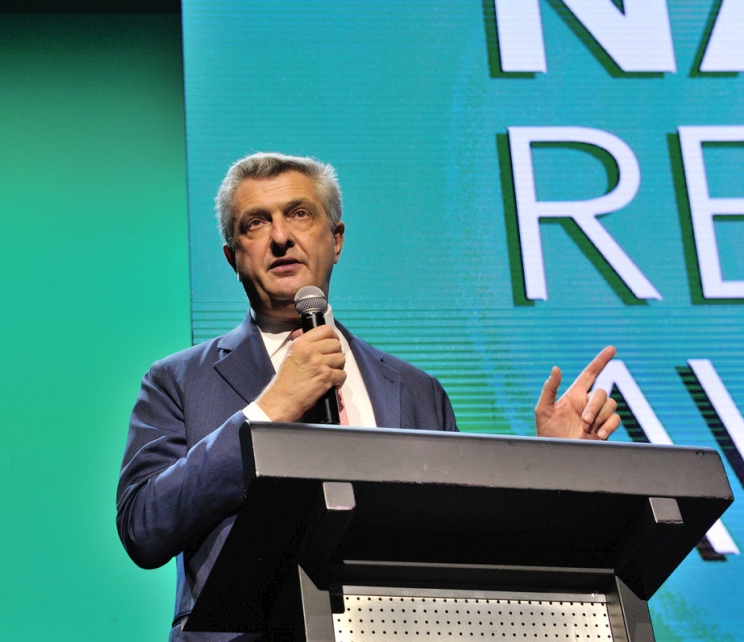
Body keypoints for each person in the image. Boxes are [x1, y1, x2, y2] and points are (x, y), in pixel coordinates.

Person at [116, 152, 620, 641]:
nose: (280, 237)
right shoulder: (178, 381)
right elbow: (144, 527)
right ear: (232, 257)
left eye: (299, 213)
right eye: (255, 223)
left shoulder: (417, 391)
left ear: (336, 240)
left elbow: (469, 547)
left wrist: (561, 466)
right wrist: (268, 411)